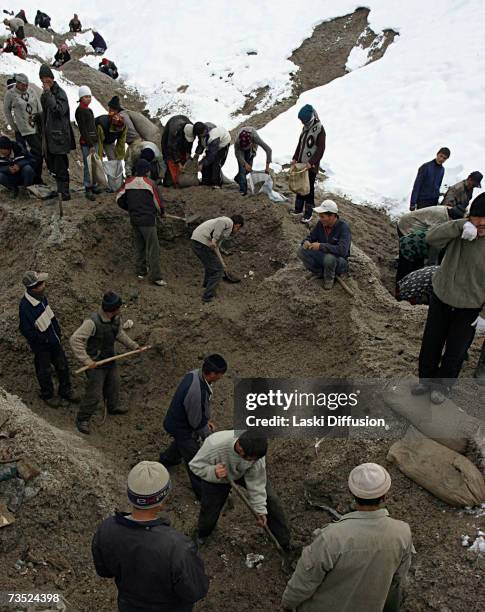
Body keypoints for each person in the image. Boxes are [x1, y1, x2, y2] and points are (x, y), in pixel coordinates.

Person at [282, 463, 413, 612]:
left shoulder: (331, 537)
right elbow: (397, 580)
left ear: (352, 494)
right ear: (385, 496)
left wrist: (288, 603)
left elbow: (305, 581)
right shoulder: (403, 533)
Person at [92, 461, 209, 612]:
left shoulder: (106, 529)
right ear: (162, 501)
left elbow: (104, 571)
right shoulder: (177, 547)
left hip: (129, 606)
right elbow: (195, 590)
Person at [413, 193, 485, 404]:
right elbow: (431, 238)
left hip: (469, 307)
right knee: (431, 343)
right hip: (442, 296)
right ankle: (425, 381)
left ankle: (442, 388)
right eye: (477, 217)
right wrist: (460, 226)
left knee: (455, 350)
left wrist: (483, 315)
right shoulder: (460, 230)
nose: (480, 223)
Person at [189, 430, 291, 549]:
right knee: (210, 509)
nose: (253, 462)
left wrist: (260, 509)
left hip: (242, 472)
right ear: (240, 448)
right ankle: (202, 534)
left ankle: (283, 541)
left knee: (271, 499)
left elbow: (256, 483)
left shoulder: (256, 453)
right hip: (218, 476)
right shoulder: (214, 444)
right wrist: (213, 472)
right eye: (249, 459)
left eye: (254, 460)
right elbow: (194, 466)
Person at [70, 292, 146, 435]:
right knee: (94, 393)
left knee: (114, 384)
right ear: (113, 309)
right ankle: (82, 419)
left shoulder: (115, 319)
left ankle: (112, 406)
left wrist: (134, 346)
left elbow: (119, 334)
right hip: (96, 364)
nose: (120, 309)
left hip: (109, 360)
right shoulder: (92, 322)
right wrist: (87, 360)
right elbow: (75, 339)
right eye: (119, 307)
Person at [159, 354, 227, 499]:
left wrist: (205, 420)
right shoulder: (196, 392)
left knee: (181, 445)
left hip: (176, 421)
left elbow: (198, 411)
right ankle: (203, 494)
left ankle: (166, 460)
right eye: (220, 375)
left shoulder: (195, 374)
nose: (221, 378)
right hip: (181, 427)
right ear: (213, 374)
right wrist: (211, 441)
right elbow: (196, 423)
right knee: (195, 460)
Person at [18, 271, 77, 408]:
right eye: (42, 283)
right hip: (42, 347)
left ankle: (65, 390)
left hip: (54, 341)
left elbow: (51, 316)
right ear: (35, 287)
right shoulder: (25, 307)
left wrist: (57, 331)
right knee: (44, 370)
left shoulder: (42, 298)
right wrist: (43, 340)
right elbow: (25, 330)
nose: (45, 285)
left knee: (62, 366)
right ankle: (48, 394)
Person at [116, 158, 167, 287]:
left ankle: (141, 271)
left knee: (140, 246)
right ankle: (156, 277)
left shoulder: (128, 183)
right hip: (148, 221)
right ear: (147, 171)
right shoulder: (149, 183)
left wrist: (129, 208)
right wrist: (162, 212)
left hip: (135, 220)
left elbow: (118, 199)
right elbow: (157, 202)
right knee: (153, 248)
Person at [395, 205, 460, 292]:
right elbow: (433, 243)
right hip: (407, 228)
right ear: (452, 219)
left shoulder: (447, 209)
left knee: (417, 265)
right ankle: (399, 290)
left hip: (415, 233)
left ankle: (407, 286)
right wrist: (432, 265)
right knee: (406, 266)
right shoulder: (440, 221)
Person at [39, 64, 75, 201]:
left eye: (46, 79)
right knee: (53, 165)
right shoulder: (46, 94)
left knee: (61, 166)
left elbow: (58, 111)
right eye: (42, 80)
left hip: (60, 137)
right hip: (49, 138)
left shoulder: (60, 93)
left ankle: (64, 193)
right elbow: (47, 112)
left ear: (52, 78)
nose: (44, 82)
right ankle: (59, 190)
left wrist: (48, 94)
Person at [297, 200, 351, 289]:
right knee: (301, 251)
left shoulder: (343, 228)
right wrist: (306, 242)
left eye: (322, 216)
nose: (320, 219)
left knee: (329, 258)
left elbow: (343, 251)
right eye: (320, 216)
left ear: (332, 216)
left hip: (339, 262)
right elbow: (311, 237)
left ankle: (329, 278)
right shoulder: (321, 224)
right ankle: (319, 272)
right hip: (324, 256)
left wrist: (320, 246)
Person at [191, 214, 244, 302]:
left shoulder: (223, 232)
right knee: (217, 271)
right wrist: (214, 240)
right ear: (237, 225)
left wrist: (223, 264)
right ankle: (207, 296)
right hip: (201, 242)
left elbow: (216, 249)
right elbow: (221, 222)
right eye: (238, 229)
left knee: (212, 267)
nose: (237, 231)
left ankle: (206, 286)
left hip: (197, 241)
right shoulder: (228, 221)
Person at [3, 73, 43, 183]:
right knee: (22, 154)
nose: (25, 87)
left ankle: (37, 177)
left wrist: (41, 123)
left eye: (26, 84)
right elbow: (6, 110)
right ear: (18, 84)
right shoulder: (10, 94)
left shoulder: (31, 91)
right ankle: (25, 178)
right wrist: (13, 125)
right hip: (21, 130)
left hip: (35, 129)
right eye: (23, 85)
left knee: (39, 153)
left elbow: (39, 107)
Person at [291, 104, 326, 224]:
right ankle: (298, 209)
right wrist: (295, 157)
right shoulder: (305, 127)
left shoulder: (319, 129)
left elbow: (321, 149)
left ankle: (308, 213)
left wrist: (311, 163)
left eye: (303, 120)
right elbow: (300, 144)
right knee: (301, 186)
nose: (301, 123)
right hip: (301, 164)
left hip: (311, 166)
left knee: (308, 189)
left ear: (309, 118)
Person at [75, 85, 102, 201]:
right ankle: (88, 187)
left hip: (93, 141)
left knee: (94, 164)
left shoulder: (87, 109)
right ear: (81, 98)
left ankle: (94, 185)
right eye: (86, 97)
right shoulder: (80, 111)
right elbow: (83, 130)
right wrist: (90, 144)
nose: (88, 99)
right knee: (88, 166)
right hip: (87, 143)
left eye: (89, 97)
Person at [234, 126, 272, 196]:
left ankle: (238, 178)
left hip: (251, 148)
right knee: (242, 169)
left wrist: (267, 167)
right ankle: (243, 191)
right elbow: (238, 155)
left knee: (249, 169)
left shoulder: (254, 137)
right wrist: (245, 164)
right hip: (240, 150)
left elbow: (268, 150)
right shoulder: (237, 142)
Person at [193, 121, 231, 187]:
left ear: (204, 131)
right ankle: (205, 181)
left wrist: (202, 164)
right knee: (205, 162)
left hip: (222, 144)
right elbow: (201, 143)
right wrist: (197, 154)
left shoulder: (213, 136)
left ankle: (217, 183)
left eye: (200, 135)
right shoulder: (201, 130)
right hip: (211, 145)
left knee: (216, 163)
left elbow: (212, 155)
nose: (199, 136)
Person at [161, 115, 194, 186]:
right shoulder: (174, 131)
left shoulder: (192, 128)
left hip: (181, 135)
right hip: (168, 142)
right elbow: (172, 147)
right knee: (170, 159)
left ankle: (181, 179)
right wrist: (178, 163)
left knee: (183, 157)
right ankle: (171, 181)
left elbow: (190, 143)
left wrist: (188, 153)